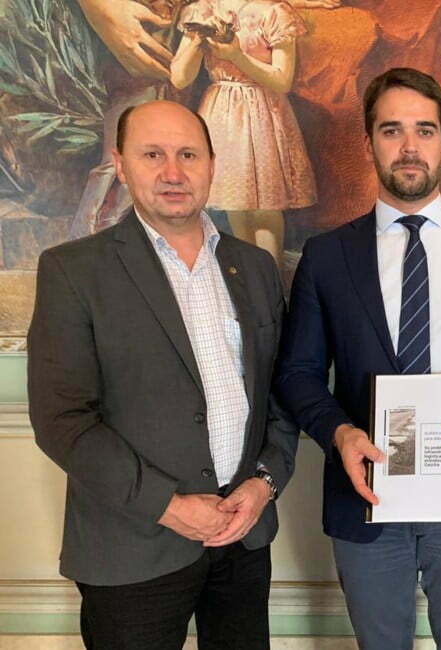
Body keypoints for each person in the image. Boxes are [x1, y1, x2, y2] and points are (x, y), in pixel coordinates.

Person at [273, 67, 441, 650]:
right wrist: (339, 432)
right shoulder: (327, 256)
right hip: (368, 496)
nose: (409, 146)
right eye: (392, 130)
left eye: (424, 130)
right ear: (368, 142)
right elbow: (297, 374)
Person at [27, 100, 298, 650]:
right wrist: (170, 508)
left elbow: (282, 394)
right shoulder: (73, 270)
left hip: (243, 537)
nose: (173, 172)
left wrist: (263, 485)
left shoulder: (255, 267)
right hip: (133, 546)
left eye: (188, 155)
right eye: (153, 154)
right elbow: (63, 420)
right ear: (120, 164)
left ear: (212, 165)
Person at [170, 0, 318, 267]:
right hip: (221, 115)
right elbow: (179, 78)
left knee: (264, 208)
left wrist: (236, 56)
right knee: (236, 205)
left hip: (262, 113)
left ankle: (270, 281)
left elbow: (282, 80)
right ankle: (249, 282)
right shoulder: (201, 11)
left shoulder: (274, 12)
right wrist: (198, 39)